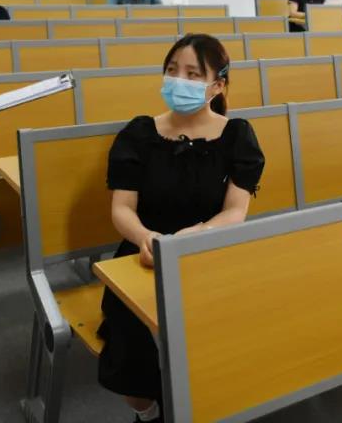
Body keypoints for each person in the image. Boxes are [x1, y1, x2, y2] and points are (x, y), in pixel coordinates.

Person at [97, 34, 264, 422]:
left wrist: (196, 236)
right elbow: (122, 208)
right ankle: (149, 411)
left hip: (207, 253)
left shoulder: (237, 136)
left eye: (192, 74)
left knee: (229, 334)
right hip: (142, 256)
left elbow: (235, 211)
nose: (178, 81)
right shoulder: (139, 134)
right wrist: (146, 238)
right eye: (172, 71)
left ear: (217, 86)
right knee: (132, 344)